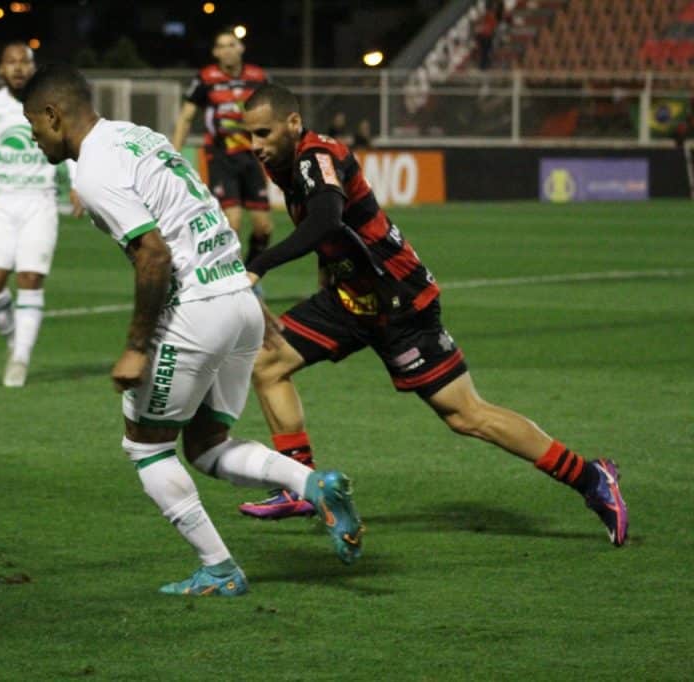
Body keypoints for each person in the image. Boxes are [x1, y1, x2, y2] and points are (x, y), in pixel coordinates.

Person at [236, 83, 629, 548]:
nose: (256, 145)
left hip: (399, 298)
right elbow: (333, 237)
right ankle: (299, 483)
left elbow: (326, 220)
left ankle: (592, 478)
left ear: (293, 124)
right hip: (351, 297)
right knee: (268, 362)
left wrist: (257, 267)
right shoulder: (285, 167)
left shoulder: (314, 157)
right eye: (251, 135)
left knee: (467, 416)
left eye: (263, 133)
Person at [22, 65, 365, 596]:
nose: (33, 136)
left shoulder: (93, 169)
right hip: (238, 299)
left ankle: (221, 570)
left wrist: (137, 346)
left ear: (53, 114)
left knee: (147, 448)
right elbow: (201, 211)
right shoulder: (141, 136)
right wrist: (243, 293)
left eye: (33, 125)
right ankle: (310, 484)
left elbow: (154, 254)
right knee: (206, 444)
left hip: (196, 311)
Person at [0, 42, 83, 387]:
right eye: (10, 62)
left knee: (29, 279)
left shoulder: (50, 104)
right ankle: (16, 339)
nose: (17, 68)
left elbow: (69, 142)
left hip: (40, 202)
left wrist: (76, 183)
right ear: (1, 69)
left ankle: (21, 358)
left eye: (23, 62)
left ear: (33, 67)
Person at [171, 29, 273, 268]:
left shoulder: (258, 77)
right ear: (215, 52)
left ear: (241, 48)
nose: (227, 50)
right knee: (233, 221)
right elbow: (186, 117)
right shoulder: (206, 78)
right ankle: (231, 277)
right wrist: (174, 154)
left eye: (232, 44)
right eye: (222, 46)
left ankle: (251, 273)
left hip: (252, 157)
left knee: (263, 226)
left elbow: (274, 112)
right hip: (220, 157)